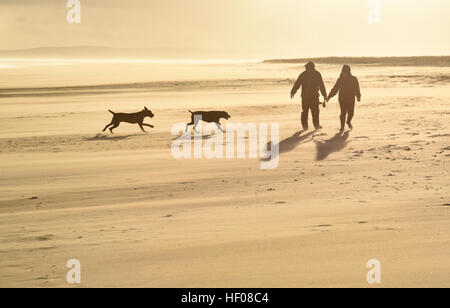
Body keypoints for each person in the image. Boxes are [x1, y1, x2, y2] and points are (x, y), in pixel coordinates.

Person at [290, 61, 327, 130]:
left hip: (308, 96)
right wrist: (324, 95)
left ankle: (308, 126)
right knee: (312, 111)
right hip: (310, 96)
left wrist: (293, 92)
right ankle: (312, 126)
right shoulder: (316, 74)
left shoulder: (305, 74)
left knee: (309, 111)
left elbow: (321, 85)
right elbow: (297, 84)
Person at [327, 65, 361, 132]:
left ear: (348, 72)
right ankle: (342, 127)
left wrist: (358, 96)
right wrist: (329, 97)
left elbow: (357, 88)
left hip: (351, 99)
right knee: (343, 113)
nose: (343, 73)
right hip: (342, 99)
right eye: (343, 72)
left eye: (345, 72)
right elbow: (335, 89)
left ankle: (348, 121)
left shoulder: (354, 79)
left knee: (351, 113)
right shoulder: (340, 80)